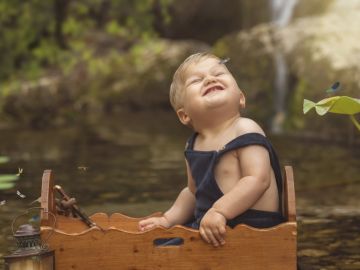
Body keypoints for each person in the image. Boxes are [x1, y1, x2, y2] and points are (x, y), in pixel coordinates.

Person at [138, 52, 284, 247]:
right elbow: (192, 192)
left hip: (251, 232)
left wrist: (219, 211)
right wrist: (167, 220)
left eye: (219, 73)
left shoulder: (245, 128)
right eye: (197, 80)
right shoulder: (193, 143)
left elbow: (258, 179)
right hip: (209, 228)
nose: (210, 78)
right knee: (154, 248)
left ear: (241, 98)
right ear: (184, 116)